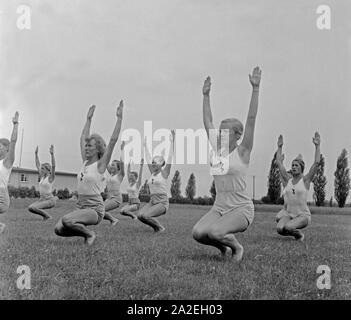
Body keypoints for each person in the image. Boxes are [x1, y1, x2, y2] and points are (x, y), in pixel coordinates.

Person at [192, 67, 262, 261]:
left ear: (237, 135)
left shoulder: (243, 151)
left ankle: (237, 248)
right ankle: (223, 248)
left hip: (241, 208)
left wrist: (255, 89)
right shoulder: (217, 147)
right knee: (198, 233)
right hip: (220, 207)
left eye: (226, 131)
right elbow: (208, 120)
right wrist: (206, 96)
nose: (220, 134)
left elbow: (251, 120)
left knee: (215, 232)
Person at [54, 101, 123, 245]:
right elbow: (82, 137)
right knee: (58, 229)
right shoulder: (85, 162)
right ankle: (84, 233)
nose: (86, 148)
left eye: (89, 146)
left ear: (97, 149)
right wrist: (88, 119)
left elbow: (112, 141)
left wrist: (119, 118)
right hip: (81, 205)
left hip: (95, 208)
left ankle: (90, 234)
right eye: (85, 146)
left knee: (67, 220)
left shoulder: (101, 165)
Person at [275, 133, 321, 241]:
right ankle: (296, 234)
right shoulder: (288, 180)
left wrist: (317, 146)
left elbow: (316, 163)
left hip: (303, 216)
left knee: (287, 227)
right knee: (279, 229)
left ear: (301, 168)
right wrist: (279, 147)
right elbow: (279, 163)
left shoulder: (305, 180)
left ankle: (299, 235)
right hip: (289, 215)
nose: (294, 167)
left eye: (297, 165)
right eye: (293, 165)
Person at [138, 131, 175, 232]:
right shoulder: (152, 173)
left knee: (145, 215)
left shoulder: (164, 173)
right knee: (140, 216)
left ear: (161, 164)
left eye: (156, 162)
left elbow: (170, 158)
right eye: (153, 162)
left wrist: (172, 142)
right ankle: (156, 229)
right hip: (152, 200)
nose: (153, 164)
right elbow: (148, 158)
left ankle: (161, 228)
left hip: (162, 202)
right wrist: (145, 146)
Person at [0, 112, 19, 234]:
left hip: (1, 197)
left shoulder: (7, 162)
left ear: (6, 148)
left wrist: (16, 124)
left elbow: (13, 142)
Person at [28, 145, 56, 220]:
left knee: (33, 207)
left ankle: (48, 217)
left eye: (43, 168)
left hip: (50, 199)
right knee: (30, 208)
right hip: (42, 199)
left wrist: (52, 154)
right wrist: (36, 154)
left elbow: (53, 166)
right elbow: (37, 164)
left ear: (48, 170)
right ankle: (45, 216)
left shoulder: (50, 178)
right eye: (41, 168)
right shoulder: (42, 177)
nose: (41, 169)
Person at [103, 142, 125, 226]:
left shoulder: (120, 175)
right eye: (111, 165)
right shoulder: (111, 174)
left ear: (118, 168)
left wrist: (122, 150)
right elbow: (105, 162)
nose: (111, 166)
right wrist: (103, 151)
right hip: (109, 198)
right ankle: (113, 220)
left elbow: (122, 163)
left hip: (116, 199)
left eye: (113, 165)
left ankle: (113, 220)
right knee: (97, 209)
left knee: (100, 209)